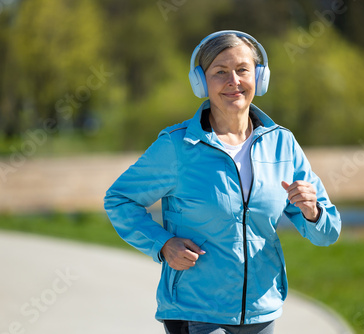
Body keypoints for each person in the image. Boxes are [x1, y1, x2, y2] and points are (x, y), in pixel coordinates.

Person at [104, 30, 341, 334]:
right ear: (201, 82)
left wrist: (314, 213)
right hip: (196, 312)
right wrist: (162, 244)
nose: (234, 81)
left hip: (260, 313)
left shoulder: (283, 145)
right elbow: (120, 199)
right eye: (220, 72)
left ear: (259, 77)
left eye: (242, 69)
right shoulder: (178, 146)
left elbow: (328, 232)